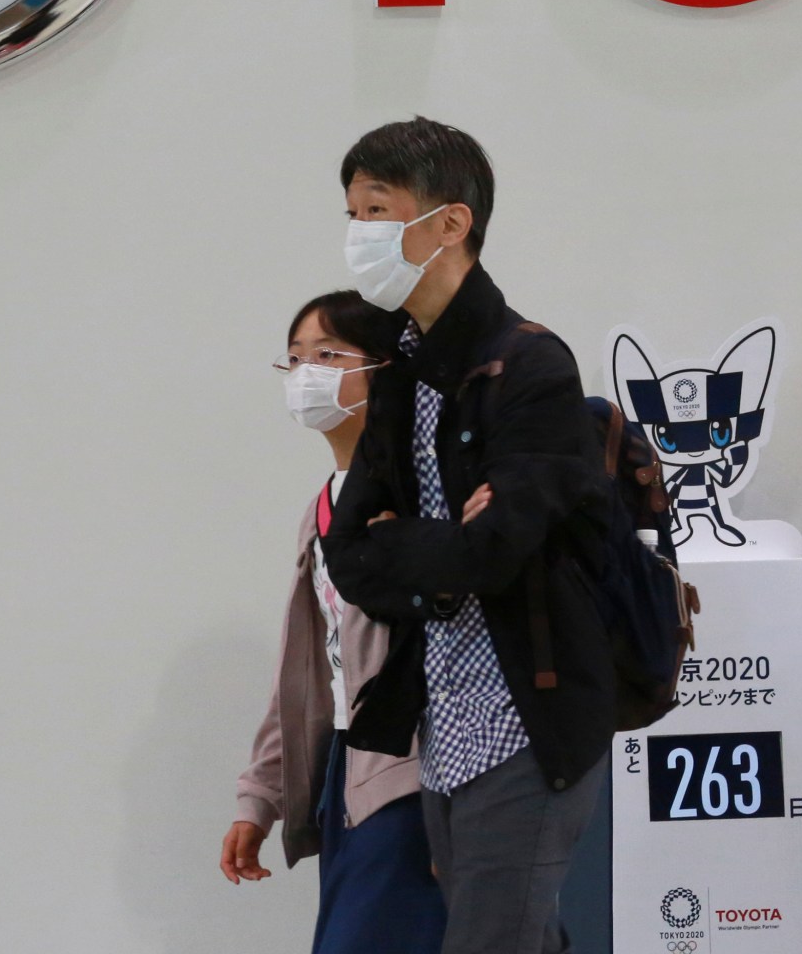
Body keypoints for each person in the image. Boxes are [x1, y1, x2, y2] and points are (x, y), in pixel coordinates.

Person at [318, 116, 612, 954]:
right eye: (352, 212)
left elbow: (499, 548)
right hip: (439, 721)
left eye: (377, 209)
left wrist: (405, 540)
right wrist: (437, 544)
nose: (359, 233)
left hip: (528, 715)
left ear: (450, 222)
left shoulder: (530, 365)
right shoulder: (401, 367)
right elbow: (348, 552)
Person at [222, 290, 447, 954]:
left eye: (326, 355)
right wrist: (259, 798)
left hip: (414, 778)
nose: (305, 376)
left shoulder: (420, 496)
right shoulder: (322, 509)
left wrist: (457, 805)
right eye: (293, 360)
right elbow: (309, 669)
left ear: (385, 368)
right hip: (344, 779)